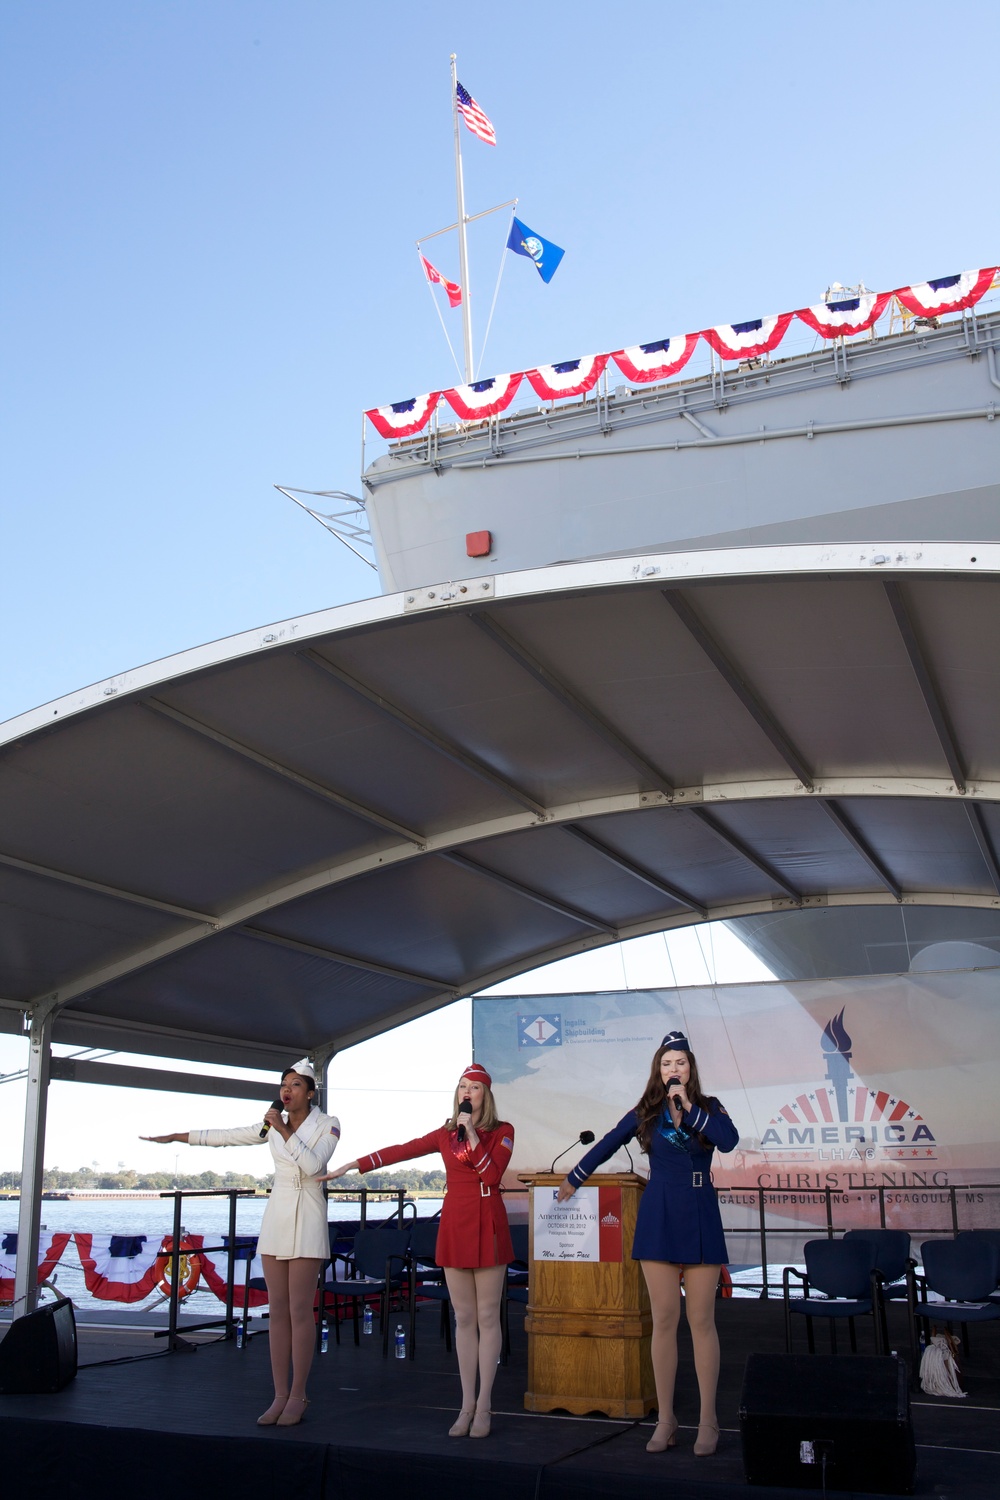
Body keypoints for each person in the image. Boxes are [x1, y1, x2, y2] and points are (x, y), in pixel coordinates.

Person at [556, 1031, 738, 1457]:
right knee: (663, 1320)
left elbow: (728, 1141)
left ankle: (708, 1420)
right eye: (666, 1063)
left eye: (680, 1063)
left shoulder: (709, 1108)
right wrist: (574, 1177)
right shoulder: (645, 1111)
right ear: (658, 1070)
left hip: (699, 1213)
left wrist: (690, 1110)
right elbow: (607, 1143)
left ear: (691, 1068)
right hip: (658, 1214)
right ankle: (667, 1420)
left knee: (701, 1321)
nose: (674, 1070)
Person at [141, 1058, 340, 1427]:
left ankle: (299, 1393)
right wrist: (179, 1136)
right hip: (277, 1216)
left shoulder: (328, 1125)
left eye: (296, 1085)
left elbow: (315, 1167)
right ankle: (279, 1393)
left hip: (308, 1215)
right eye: (284, 1084)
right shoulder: (269, 1125)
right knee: (276, 1309)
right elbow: (226, 1136)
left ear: (310, 1093)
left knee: (300, 1309)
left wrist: (281, 1129)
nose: (287, 1090)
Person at [321, 1063, 513, 1439]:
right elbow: (403, 1150)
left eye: (474, 1087)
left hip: (488, 1223)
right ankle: (466, 1404)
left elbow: (491, 1175)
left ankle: (486, 1405)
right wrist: (356, 1164)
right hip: (455, 1225)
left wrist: (472, 1132)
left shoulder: (502, 1132)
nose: (466, 1092)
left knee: (488, 1316)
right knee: (463, 1318)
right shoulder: (444, 1134)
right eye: (462, 1086)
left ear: (485, 1095)